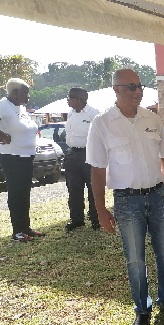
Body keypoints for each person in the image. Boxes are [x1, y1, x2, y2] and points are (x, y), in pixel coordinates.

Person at [86, 68, 164, 325]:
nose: (137, 91)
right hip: (127, 200)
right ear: (116, 90)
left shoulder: (151, 119)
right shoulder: (102, 123)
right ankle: (142, 310)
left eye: (139, 85)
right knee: (135, 259)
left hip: (157, 195)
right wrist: (100, 209)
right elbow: (97, 169)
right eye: (130, 86)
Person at [0, 78, 45, 242]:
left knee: (25, 192)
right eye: (26, 92)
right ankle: (17, 231)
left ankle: (26, 228)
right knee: (16, 193)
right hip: (12, 156)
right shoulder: (3, 105)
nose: (28, 96)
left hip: (26, 156)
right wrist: (2, 135)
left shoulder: (20, 107)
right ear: (15, 93)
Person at [64, 87, 100, 231]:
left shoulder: (94, 114)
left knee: (93, 188)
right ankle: (77, 219)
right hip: (72, 155)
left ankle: (96, 219)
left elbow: (100, 136)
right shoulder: (70, 113)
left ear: (79, 99)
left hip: (89, 155)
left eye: (70, 97)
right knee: (73, 188)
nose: (68, 100)